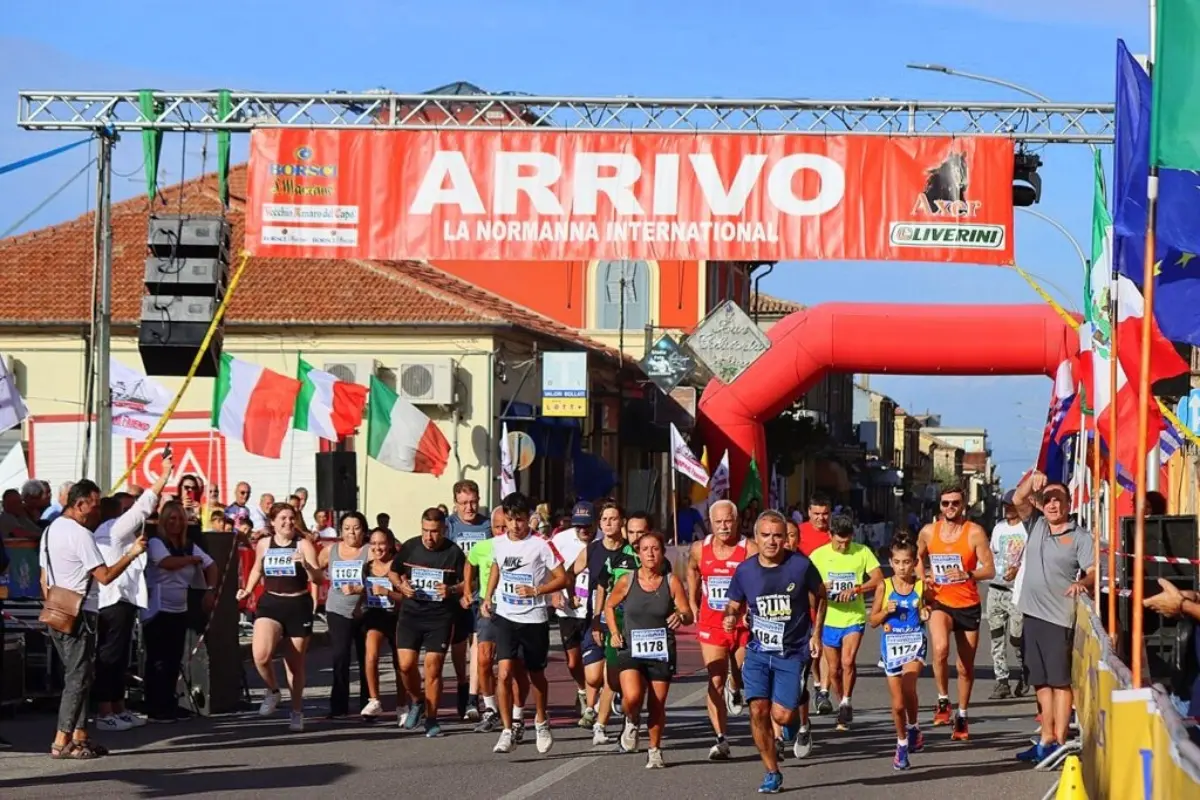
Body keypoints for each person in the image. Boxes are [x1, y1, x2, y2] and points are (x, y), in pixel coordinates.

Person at [40, 480, 148, 759]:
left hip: (56, 610)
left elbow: (43, 577)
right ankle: (61, 740)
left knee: (81, 676)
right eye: (95, 505)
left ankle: (79, 736)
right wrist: (131, 554)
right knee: (78, 678)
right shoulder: (81, 534)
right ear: (79, 505)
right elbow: (105, 576)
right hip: (80, 613)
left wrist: (55, 603)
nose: (98, 511)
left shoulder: (50, 530)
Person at [724, 510, 826, 794]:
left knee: (781, 716)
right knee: (758, 710)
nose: (771, 541)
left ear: (786, 539)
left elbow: (821, 596)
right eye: (765, 535)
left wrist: (816, 634)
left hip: (792, 651)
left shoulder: (800, 566)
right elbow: (733, 603)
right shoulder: (745, 570)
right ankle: (772, 771)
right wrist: (730, 615)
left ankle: (794, 714)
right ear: (755, 538)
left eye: (778, 535)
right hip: (758, 650)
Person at [1012, 471, 1095, 763]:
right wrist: (1032, 480)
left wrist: (1081, 583)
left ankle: (1060, 741)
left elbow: (1094, 571)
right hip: (1031, 615)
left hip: (1059, 618)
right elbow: (1017, 498)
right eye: (1048, 500)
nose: (1053, 505)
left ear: (1069, 504)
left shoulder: (1079, 536)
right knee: (1040, 681)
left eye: (1058, 500)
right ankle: (1046, 737)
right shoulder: (1035, 525)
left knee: (1060, 682)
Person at [482, 492, 568, 755]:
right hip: (506, 616)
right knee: (505, 672)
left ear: (528, 519)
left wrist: (537, 591)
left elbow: (562, 578)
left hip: (534, 618)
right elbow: (497, 567)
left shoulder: (541, 545)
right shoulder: (497, 543)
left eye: (519, 520)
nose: (515, 526)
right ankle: (507, 730)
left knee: (536, 675)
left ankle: (541, 720)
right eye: (510, 520)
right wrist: (488, 597)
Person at [604, 529, 694, 768]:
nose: (651, 554)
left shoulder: (671, 581)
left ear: (663, 553)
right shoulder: (628, 580)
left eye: (655, 549)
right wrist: (614, 632)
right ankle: (631, 719)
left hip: (660, 650)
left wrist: (680, 616)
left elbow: (688, 614)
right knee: (632, 697)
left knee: (657, 703)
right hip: (632, 648)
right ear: (638, 554)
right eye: (645, 549)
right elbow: (609, 606)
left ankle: (654, 750)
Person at [93, 460, 169, 732]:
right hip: (112, 601)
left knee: (121, 658)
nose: (134, 516)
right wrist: (163, 476)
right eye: (127, 509)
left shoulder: (119, 534)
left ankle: (119, 708)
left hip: (124, 600)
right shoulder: (113, 529)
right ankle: (105, 711)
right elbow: (144, 506)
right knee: (110, 657)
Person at [917, 484, 994, 740]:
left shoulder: (974, 533)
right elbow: (917, 557)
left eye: (955, 503)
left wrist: (968, 574)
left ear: (963, 506)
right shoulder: (929, 532)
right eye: (945, 503)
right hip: (939, 601)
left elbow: (990, 569)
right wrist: (922, 579)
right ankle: (942, 700)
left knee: (965, 666)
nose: (950, 507)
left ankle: (961, 714)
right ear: (939, 506)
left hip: (968, 604)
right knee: (939, 650)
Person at [236, 502, 323, 732]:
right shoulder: (264, 544)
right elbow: (257, 568)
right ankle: (273, 691)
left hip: (297, 604)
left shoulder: (303, 544)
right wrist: (247, 589)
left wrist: (305, 565)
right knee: (261, 655)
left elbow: (318, 578)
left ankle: (296, 710)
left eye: (291, 518)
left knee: (294, 664)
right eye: (282, 518)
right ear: (272, 522)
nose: (288, 522)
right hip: (271, 602)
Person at [686, 498, 754, 760]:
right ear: (710, 523)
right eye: (718, 522)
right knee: (714, 680)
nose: (724, 526)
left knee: (737, 674)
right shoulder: (699, 549)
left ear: (736, 521)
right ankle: (721, 738)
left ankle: (734, 688)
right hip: (712, 623)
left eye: (728, 521)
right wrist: (693, 603)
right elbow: (692, 571)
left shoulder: (748, 549)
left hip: (741, 624)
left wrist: (750, 612)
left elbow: (762, 580)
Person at [391, 507, 466, 738]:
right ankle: (417, 701)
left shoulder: (454, 552)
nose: (428, 537)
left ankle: (432, 719)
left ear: (443, 529)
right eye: (425, 531)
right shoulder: (411, 547)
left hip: (439, 618)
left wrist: (451, 589)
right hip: (411, 615)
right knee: (405, 665)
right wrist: (401, 586)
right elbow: (393, 572)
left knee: (432, 669)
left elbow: (468, 583)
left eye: (434, 532)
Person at [142, 501, 218, 722]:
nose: (175, 523)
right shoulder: (157, 542)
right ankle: (155, 706)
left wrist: (209, 590)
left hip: (179, 607)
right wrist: (190, 560)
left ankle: (170, 702)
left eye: (179, 519)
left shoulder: (189, 545)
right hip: (157, 607)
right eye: (171, 519)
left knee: (175, 658)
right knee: (157, 659)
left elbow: (211, 565)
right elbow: (166, 562)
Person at [809, 513, 883, 731]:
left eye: (847, 541)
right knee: (833, 670)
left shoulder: (862, 551)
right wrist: (823, 588)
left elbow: (878, 578)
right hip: (829, 618)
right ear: (830, 535)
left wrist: (857, 589)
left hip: (853, 616)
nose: (843, 546)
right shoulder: (818, 555)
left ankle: (846, 701)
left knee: (848, 662)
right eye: (839, 541)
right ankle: (841, 700)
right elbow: (809, 584)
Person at [566, 499, 630, 745]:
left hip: (623, 621)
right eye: (604, 519)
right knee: (592, 677)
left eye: (613, 519)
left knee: (610, 674)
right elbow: (570, 573)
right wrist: (567, 593)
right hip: (596, 618)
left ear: (621, 522)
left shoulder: (630, 551)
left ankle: (602, 721)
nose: (608, 523)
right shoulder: (592, 550)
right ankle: (607, 694)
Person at [461, 506, 525, 733]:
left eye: (503, 526)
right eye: (496, 527)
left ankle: (517, 714)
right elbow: (469, 563)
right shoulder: (483, 547)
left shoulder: (520, 546)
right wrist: (467, 589)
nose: (500, 531)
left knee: (513, 666)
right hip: (488, 608)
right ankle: (490, 708)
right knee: (484, 660)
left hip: (514, 609)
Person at [869, 532, 930, 770]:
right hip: (891, 647)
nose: (902, 567)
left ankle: (912, 728)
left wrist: (925, 612)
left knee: (908, 688)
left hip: (914, 643)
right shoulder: (884, 586)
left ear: (914, 563)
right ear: (891, 562)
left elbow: (927, 608)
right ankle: (903, 741)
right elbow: (873, 621)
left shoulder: (921, 586)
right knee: (897, 705)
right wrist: (886, 611)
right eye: (897, 562)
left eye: (907, 562)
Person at [446, 479, 491, 721]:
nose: (469, 508)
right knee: (458, 646)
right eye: (463, 503)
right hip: (454, 594)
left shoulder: (487, 526)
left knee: (477, 645)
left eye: (473, 502)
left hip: (480, 594)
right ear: (455, 504)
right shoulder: (448, 526)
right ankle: (462, 683)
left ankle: (473, 698)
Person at [317, 511, 370, 719]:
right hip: (337, 609)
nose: (351, 533)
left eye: (356, 528)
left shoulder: (369, 551)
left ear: (363, 530)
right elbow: (316, 570)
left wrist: (361, 588)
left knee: (367, 658)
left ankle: (368, 703)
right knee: (340, 657)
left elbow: (382, 577)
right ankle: (339, 706)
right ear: (340, 531)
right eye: (347, 528)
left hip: (365, 611)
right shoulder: (330, 550)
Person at [551, 501, 597, 717]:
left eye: (587, 526)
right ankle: (582, 689)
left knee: (594, 660)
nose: (583, 531)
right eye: (579, 526)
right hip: (568, 610)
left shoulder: (603, 540)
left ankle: (593, 699)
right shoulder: (560, 540)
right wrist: (555, 592)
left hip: (595, 610)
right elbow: (546, 568)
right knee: (573, 662)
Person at [360, 528, 408, 722]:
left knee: (401, 665)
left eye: (381, 543)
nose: (377, 548)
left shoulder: (398, 567)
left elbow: (406, 597)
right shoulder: (367, 567)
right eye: (373, 544)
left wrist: (387, 593)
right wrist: (358, 605)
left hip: (397, 618)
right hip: (375, 615)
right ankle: (374, 700)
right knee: (370, 655)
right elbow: (365, 590)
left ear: (390, 545)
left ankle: (402, 706)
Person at [987, 489, 1028, 700]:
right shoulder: (998, 529)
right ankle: (1001, 680)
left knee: (1016, 637)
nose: (1008, 509)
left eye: (1011, 505)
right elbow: (993, 554)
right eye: (1005, 505)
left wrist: (1018, 569)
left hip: (1016, 593)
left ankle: (1024, 672)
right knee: (996, 637)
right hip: (996, 589)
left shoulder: (1027, 528)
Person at [797, 493, 834, 714]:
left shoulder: (833, 534)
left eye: (825, 514)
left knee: (826, 643)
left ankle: (823, 692)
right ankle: (817, 682)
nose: (821, 518)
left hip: (830, 597)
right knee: (813, 645)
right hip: (804, 596)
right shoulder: (798, 533)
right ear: (809, 513)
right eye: (817, 514)